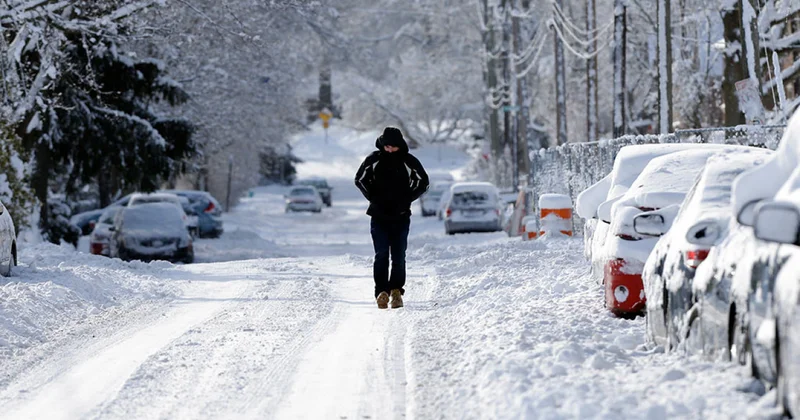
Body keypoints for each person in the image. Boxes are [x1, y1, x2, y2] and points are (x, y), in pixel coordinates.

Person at [355, 127, 429, 309]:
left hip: (401, 216)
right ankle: (381, 292)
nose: (389, 150)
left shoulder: (408, 161)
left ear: (399, 146)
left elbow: (423, 182)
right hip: (378, 216)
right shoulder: (373, 160)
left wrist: (407, 198)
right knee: (381, 254)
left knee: (398, 255)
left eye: (393, 147)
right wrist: (372, 197)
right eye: (386, 146)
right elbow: (359, 179)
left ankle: (396, 291)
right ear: (382, 144)